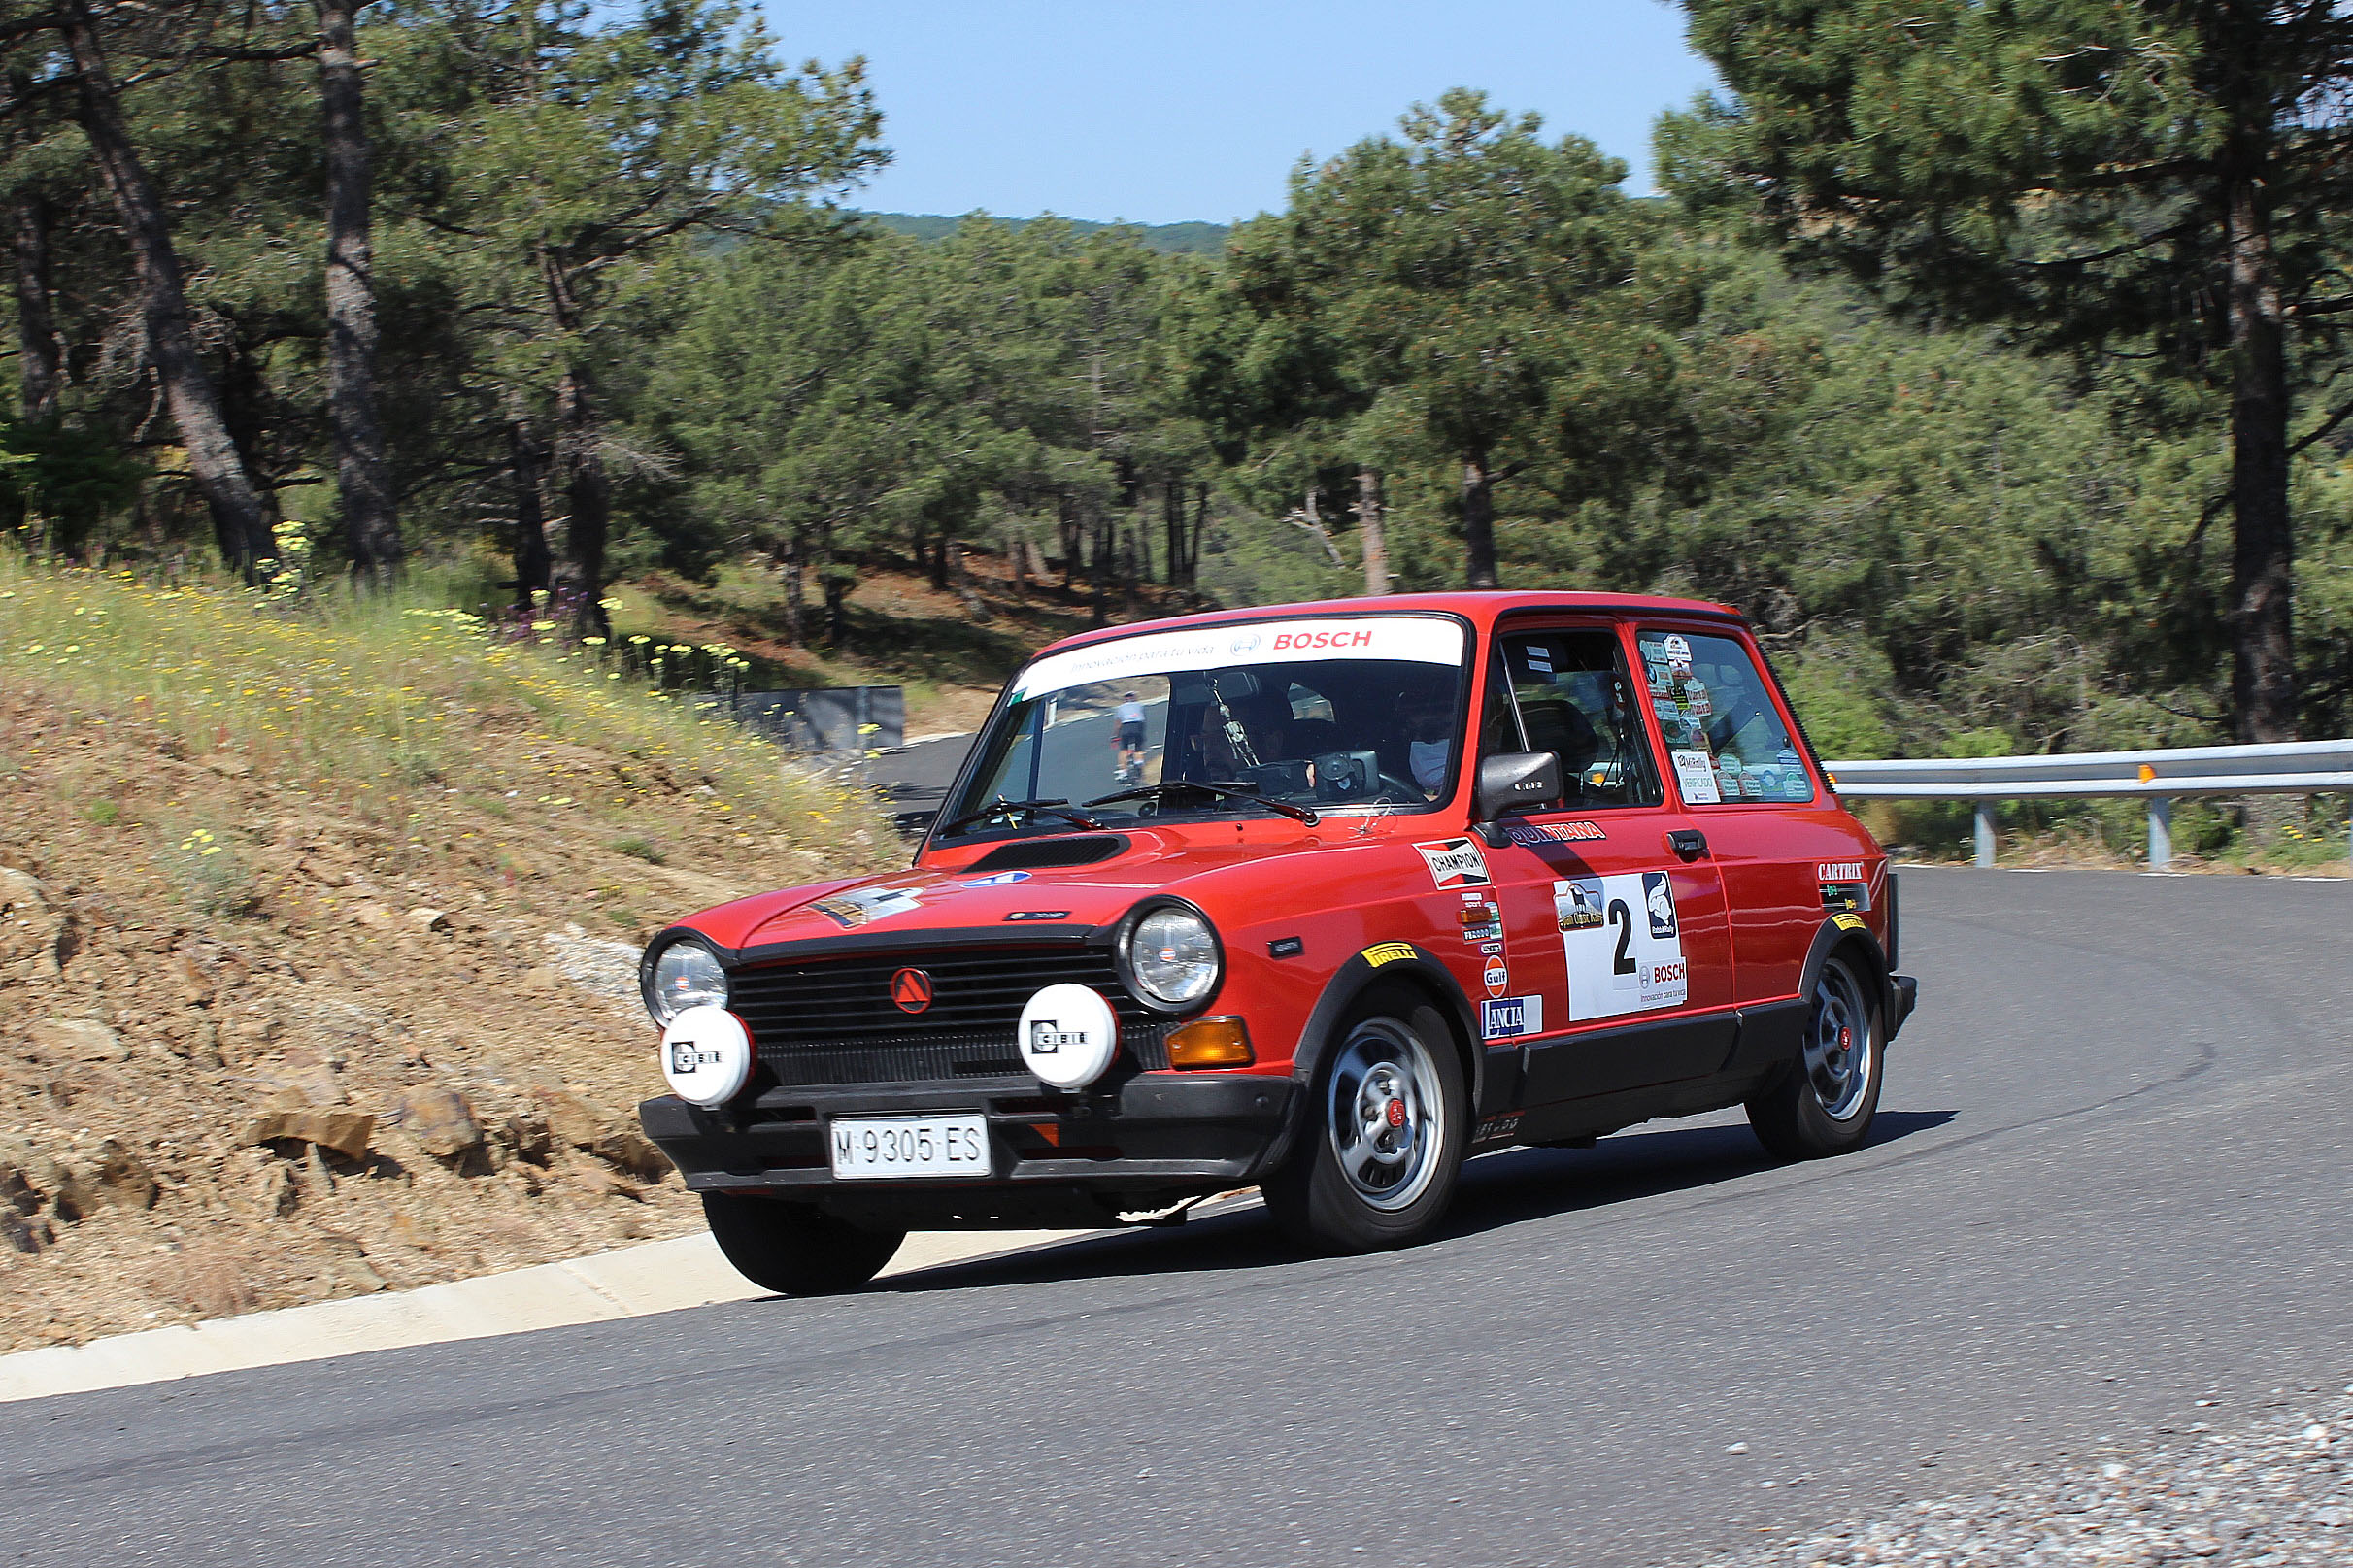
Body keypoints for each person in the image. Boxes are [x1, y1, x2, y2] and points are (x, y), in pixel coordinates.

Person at [1114, 691, 1147, 784]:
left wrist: (1115, 735)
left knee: (1124, 750)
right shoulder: (1140, 705)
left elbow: (1118, 723)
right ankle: (1139, 764)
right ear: (1134, 698)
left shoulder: (1120, 708)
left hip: (1126, 727)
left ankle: (1123, 772)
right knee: (1138, 749)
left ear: (1125, 699)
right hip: (1138, 726)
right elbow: (1143, 720)